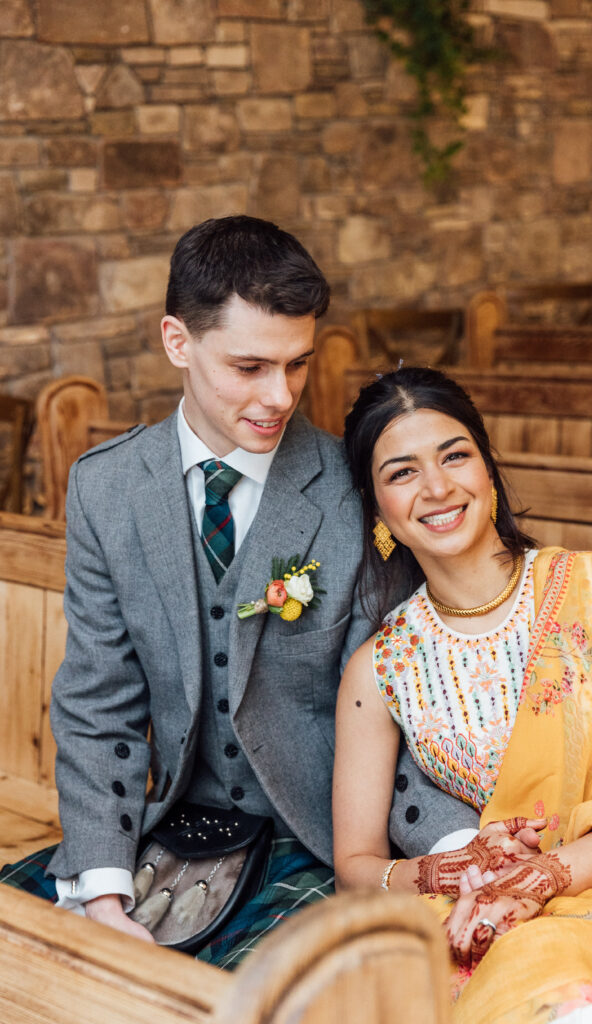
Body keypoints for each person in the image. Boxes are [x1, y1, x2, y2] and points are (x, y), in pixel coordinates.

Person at [0, 218, 480, 969]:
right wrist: (102, 895)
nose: (279, 395)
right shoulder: (106, 487)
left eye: (296, 365)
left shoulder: (353, 486)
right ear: (176, 342)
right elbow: (99, 705)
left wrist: (459, 855)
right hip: (165, 826)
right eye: (249, 366)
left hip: (320, 845)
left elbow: (402, 703)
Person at [334, 366, 592, 1023]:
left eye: (454, 456)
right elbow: (355, 863)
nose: (436, 488)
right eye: (401, 472)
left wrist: (545, 878)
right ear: (376, 507)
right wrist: (448, 873)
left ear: (487, 469)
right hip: (477, 913)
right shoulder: (380, 668)